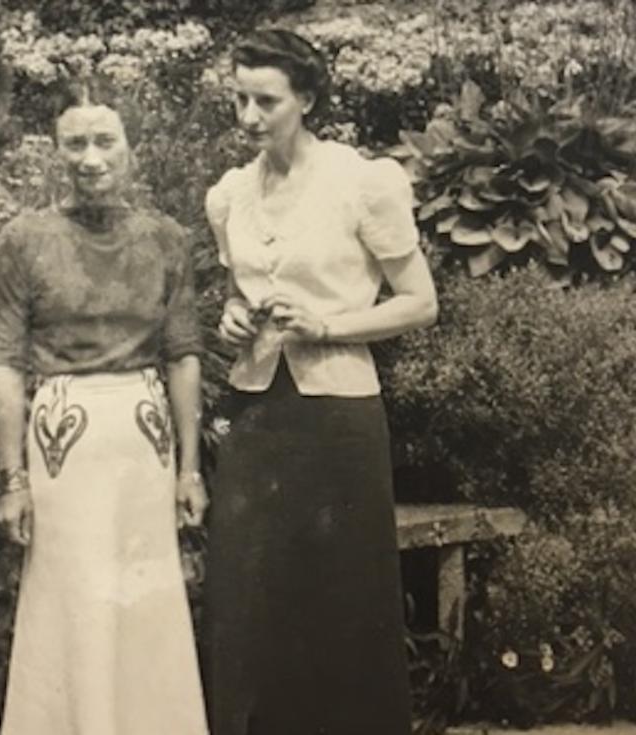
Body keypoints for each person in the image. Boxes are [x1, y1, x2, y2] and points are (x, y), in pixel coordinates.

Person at [202, 29, 438, 735]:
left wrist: (329, 323)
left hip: (337, 413)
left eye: (265, 100)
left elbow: (421, 302)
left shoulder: (361, 183)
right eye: (240, 98)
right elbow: (237, 293)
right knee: (249, 590)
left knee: (338, 591)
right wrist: (232, 322)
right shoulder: (231, 195)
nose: (249, 116)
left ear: (305, 98)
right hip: (254, 411)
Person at [0, 77, 209, 735]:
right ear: (56, 152)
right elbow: (5, 365)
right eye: (75, 143)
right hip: (63, 442)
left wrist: (190, 469)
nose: (91, 158)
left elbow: (184, 355)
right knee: (74, 596)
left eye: (105, 141)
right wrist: (13, 480)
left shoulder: (166, 239)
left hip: (144, 439)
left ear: (131, 147)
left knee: (147, 598)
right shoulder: (24, 240)